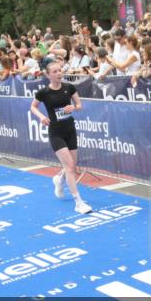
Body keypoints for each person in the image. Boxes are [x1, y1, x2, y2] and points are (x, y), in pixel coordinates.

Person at [31, 61, 92, 214]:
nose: (59, 73)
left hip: (70, 129)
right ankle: (78, 202)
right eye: (55, 71)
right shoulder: (43, 92)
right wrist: (41, 117)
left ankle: (59, 179)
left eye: (60, 70)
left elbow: (79, 105)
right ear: (48, 75)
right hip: (55, 132)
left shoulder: (69, 88)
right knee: (70, 167)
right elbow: (33, 107)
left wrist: (74, 107)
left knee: (71, 165)